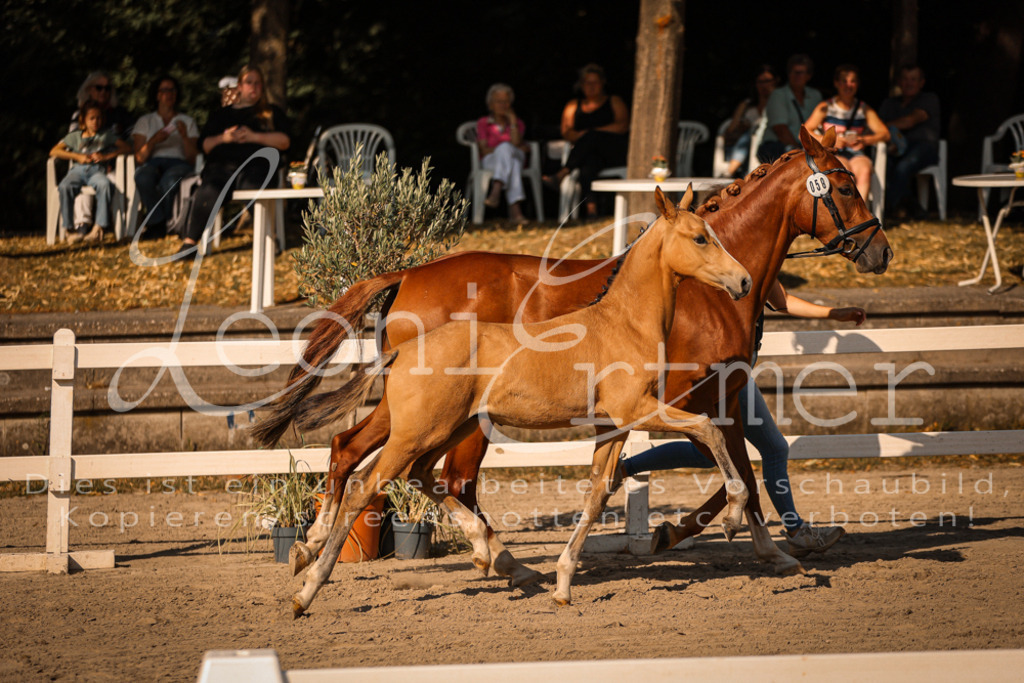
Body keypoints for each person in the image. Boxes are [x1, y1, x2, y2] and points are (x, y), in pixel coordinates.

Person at [619, 281, 866, 558]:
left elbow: (780, 299)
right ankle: (796, 532)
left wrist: (833, 313)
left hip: (736, 371)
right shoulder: (725, 260)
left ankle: (624, 469)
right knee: (753, 450)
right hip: (715, 370)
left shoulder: (753, 256)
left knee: (727, 452)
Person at [179, 65, 290, 258]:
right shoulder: (221, 115)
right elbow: (204, 145)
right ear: (239, 86)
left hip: (258, 166)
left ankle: (269, 239)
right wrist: (224, 138)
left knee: (253, 186)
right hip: (222, 167)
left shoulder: (271, 113)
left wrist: (254, 137)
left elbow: (285, 141)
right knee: (210, 188)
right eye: (249, 82)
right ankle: (188, 243)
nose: (253, 87)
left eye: (258, 83)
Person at [546, 64, 630, 219]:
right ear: (581, 85)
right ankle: (592, 210)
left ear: (603, 83)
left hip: (612, 152)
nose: (591, 87)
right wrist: (585, 137)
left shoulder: (614, 101)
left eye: (595, 82)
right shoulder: (573, 105)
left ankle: (563, 172)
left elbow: (623, 126)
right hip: (587, 155)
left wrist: (594, 133)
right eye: (587, 83)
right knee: (587, 164)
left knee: (593, 136)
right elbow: (567, 131)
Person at [50, 100, 132, 244]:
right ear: (83, 120)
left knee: (105, 185)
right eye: (92, 118)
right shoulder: (75, 136)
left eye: (99, 118)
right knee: (64, 186)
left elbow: (127, 148)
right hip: (77, 171)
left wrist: (105, 156)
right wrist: (77, 156)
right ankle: (69, 230)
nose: (96, 122)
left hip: (97, 171)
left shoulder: (106, 136)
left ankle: (98, 228)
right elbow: (54, 151)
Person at [804, 64, 890, 201]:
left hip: (855, 153)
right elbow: (804, 132)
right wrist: (830, 140)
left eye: (852, 81)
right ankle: (844, 217)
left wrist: (864, 140)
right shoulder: (826, 107)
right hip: (834, 152)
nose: (848, 85)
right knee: (844, 171)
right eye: (844, 81)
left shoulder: (863, 108)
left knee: (864, 170)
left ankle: (861, 214)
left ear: (857, 84)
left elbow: (885, 133)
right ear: (836, 83)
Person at [132, 75, 200, 239]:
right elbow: (139, 158)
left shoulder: (187, 121)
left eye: (172, 90)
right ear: (157, 95)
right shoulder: (145, 121)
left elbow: (192, 158)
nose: (169, 94)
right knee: (142, 177)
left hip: (179, 163)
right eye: (164, 90)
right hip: (152, 162)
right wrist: (154, 140)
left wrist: (184, 136)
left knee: (169, 181)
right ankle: (158, 222)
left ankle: (164, 225)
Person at [66, 71, 134, 231]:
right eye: (99, 88)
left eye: (107, 88)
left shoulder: (120, 114)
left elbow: (131, 142)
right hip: (87, 163)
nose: (104, 92)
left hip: (116, 164)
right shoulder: (79, 115)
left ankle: (119, 225)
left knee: (119, 179)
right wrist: (91, 159)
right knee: (80, 178)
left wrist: (110, 158)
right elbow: (74, 143)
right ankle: (82, 224)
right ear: (89, 90)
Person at [878, 65, 940, 217]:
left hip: (923, 147)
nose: (909, 83)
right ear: (899, 82)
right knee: (883, 164)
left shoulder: (929, 99)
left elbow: (909, 121)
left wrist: (881, 127)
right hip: (894, 147)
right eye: (905, 79)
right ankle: (908, 207)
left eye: (913, 79)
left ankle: (893, 209)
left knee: (903, 167)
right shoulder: (889, 104)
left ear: (921, 83)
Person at [476, 83, 529, 223]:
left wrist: (512, 122)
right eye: (498, 101)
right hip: (491, 160)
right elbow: (484, 150)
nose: (502, 105)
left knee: (508, 151)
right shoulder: (483, 123)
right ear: (490, 104)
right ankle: (516, 212)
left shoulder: (517, 123)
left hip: (512, 155)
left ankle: (496, 188)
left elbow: (516, 143)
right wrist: (504, 148)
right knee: (513, 162)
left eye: (506, 101)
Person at [757, 54, 822, 162]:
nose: (796, 76)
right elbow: (780, 129)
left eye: (800, 72)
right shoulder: (778, 94)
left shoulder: (815, 95)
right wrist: (799, 151)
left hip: (807, 148)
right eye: (793, 72)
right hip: (777, 146)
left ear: (809, 76)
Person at [722, 65, 778, 177]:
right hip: (737, 149)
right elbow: (730, 130)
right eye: (760, 82)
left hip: (765, 148)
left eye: (767, 81)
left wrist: (773, 97)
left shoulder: (778, 104)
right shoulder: (746, 105)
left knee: (752, 136)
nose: (764, 85)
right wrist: (741, 127)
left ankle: (729, 173)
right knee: (748, 136)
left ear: (775, 82)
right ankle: (731, 172)